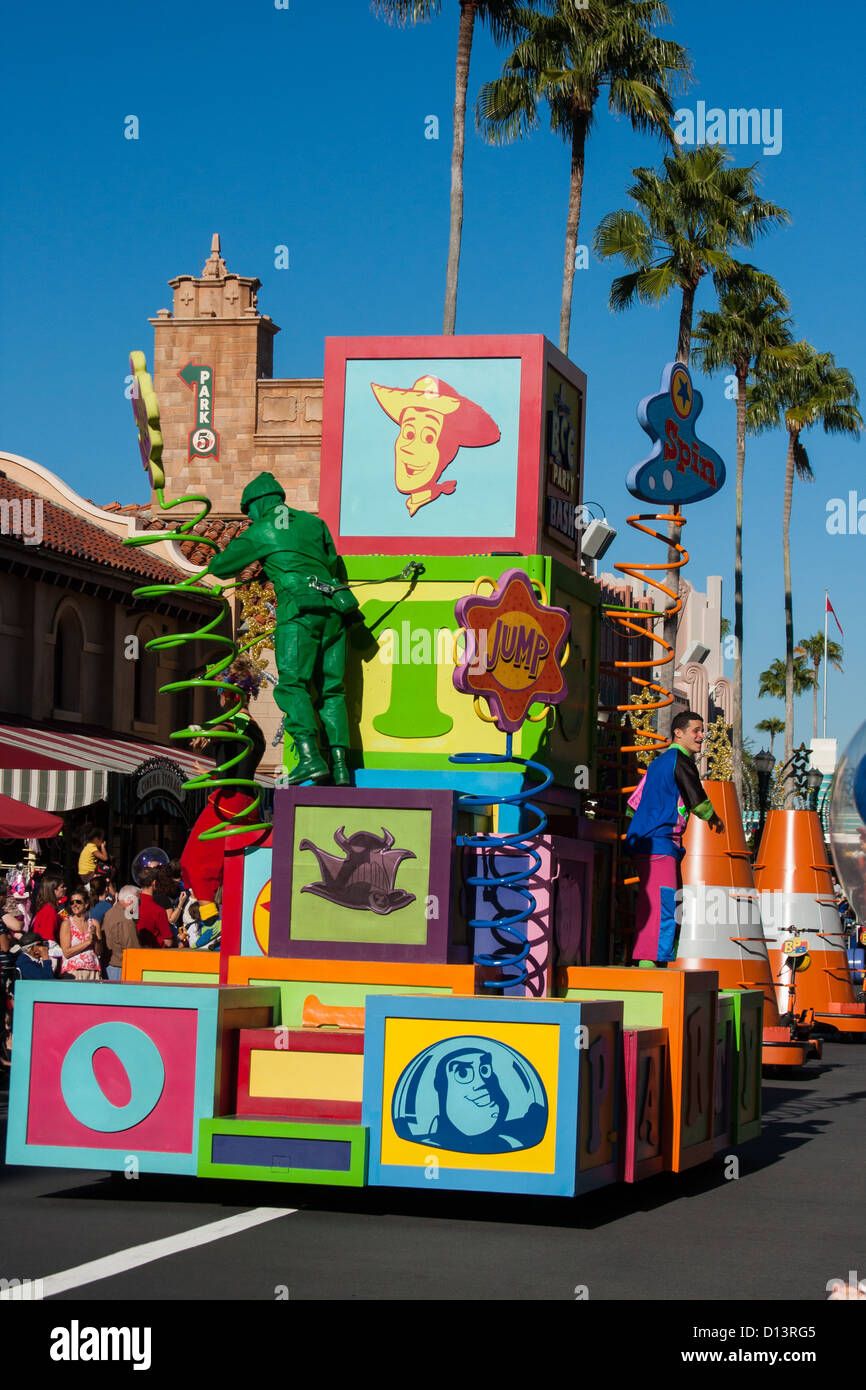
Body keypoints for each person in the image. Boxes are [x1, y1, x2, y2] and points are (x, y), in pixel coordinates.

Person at [205, 472, 357, 787]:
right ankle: (340, 766)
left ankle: (310, 757)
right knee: (332, 689)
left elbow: (220, 567)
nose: (249, 518)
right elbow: (331, 561)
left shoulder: (262, 529)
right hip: (335, 609)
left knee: (293, 685)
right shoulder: (314, 524)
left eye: (249, 513)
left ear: (257, 505)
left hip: (298, 610)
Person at [625, 709, 724, 967]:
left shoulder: (658, 763)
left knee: (665, 902)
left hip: (651, 842)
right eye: (696, 730)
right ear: (678, 733)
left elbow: (633, 804)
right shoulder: (680, 761)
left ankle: (656, 961)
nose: (702, 736)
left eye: (703, 731)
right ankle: (651, 965)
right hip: (659, 841)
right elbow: (696, 797)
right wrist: (713, 817)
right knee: (664, 903)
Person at [179, 657, 266, 932]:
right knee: (226, 866)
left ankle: (212, 923)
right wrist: (210, 770)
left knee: (196, 860)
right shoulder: (251, 726)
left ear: (229, 693)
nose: (216, 697)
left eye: (218, 690)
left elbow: (227, 729)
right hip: (242, 802)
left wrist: (208, 732)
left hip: (230, 803)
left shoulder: (237, 721)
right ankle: (222, 919)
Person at [370, 375, 501, 517]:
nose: (410, 448)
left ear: (447, 452)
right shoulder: (375, 505)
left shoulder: (464, 512)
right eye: (408, 434)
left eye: (428, 437)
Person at [59, 889, 102, 980]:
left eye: (78, 902)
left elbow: (99, 952)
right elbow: (66, 952)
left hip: (92, 970)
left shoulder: (94, 923)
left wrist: (94, 939)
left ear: (86, 904)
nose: (74, 905)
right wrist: (88, 942)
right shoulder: (67, 924)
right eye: (72, 902)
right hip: (73, 972)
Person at [102, 885, 142, 981]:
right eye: (138, 901)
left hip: (109, 965)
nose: (139, 905)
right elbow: (132, 949)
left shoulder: (110, 912)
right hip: (120, 967)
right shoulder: (126, 919)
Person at [136, 868, 174, 949]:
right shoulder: (159, 910)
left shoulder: (130, 905)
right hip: (153, 954)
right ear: (154, 882)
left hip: (133, 952)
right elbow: (168, 942)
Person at [30, 873, 66, 943]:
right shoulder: (49, 909)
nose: (65, 888)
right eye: (62, 887)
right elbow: (48, 937)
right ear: (53, 890)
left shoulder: (57, 906)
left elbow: (67, 920)